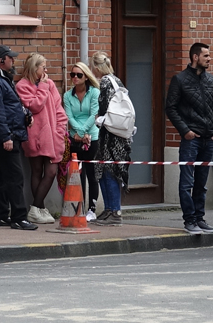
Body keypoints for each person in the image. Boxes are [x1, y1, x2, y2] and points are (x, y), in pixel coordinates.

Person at [166, 41, 213, 235]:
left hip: (208, 138)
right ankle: (189, 220)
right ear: (195, 57)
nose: (209, 59)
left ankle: (200, 218)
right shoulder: (179, 80)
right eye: (206, 56)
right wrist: (185, 131)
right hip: (191, 138)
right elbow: (170, 107)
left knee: (201, 183)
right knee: (187, 182)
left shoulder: (211, 81)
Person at [0, 45, 36, 230]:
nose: (13, 61)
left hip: (12, 132)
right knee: (14, 176)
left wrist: (24, 117)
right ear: (1, 60)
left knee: (2, 177)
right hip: (7, 135)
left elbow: (10, 106)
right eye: (10, 58)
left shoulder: (3, 79)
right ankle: (19, 217)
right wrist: (6, 137)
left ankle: (0, 215)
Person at [14, 53, 68, 224]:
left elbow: (59, 110)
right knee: (36, 171)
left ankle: (36, 208)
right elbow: (35, 106)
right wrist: (43, 87)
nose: (46, 70)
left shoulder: (50, 84)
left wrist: (59, 131)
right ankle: (40, 209)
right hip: (35, 137)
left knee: (51, 171)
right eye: (43, 67)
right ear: (34, 68)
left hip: (52, 136)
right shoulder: (22, 85)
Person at [91, 52, 131, 226]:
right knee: (111, 171)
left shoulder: (106, 82)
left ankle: (113, 211)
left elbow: (106, 109)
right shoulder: (116, 80)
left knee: (108, 172)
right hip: (119, 135)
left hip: (110, 136)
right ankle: (110, 210)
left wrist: (98, 119)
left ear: (96, 67)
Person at [64, 63, 100, 220]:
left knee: (92, 174)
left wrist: (83, 132)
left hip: (92, 136)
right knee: (77, 174)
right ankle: (78, 207)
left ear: (86, 76)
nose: (75, 78)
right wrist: (78, 133)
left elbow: (94, 115)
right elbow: (69, 116)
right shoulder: (67, 95)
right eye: (72, 75)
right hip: (75, 138)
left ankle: (92, 209)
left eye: (79, 75)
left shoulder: (94, 93)